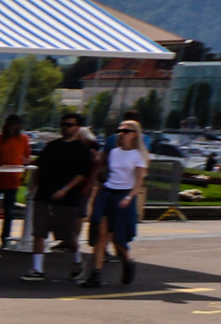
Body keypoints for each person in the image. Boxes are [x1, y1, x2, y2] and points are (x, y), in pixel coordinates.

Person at [20, 114, 98, 284]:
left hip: (67, 199)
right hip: (44, 195)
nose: (66, 127)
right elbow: (39, 166)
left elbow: (81, 174)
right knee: (39, 232)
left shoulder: (81, 150)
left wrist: (65, 189)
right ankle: (37, 269)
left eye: (70, 125)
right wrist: (33, 185)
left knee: (67, 235)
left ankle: (78, 259)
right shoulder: (51, 146)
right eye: (63, 124)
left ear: (77, 128)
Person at [82, 119, 146, 288]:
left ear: (135, 135)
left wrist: (129, 197)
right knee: (101, 233)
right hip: (108, 192)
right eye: (120, 130)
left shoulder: (138, 156)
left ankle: (128, 260)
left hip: (124, 194)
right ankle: (95, 274)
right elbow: (107, 171)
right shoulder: (114, 152)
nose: (122, 134)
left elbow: (139, 181)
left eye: (126, 131)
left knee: (118, 236)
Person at [0, 115, 30, 250]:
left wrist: (24, 177)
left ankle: (5, 238)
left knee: (9, 212)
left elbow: (26, 158)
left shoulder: (23, 140)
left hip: (13, 180)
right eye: (10, 124)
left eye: (15, 124)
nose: (12, 127)